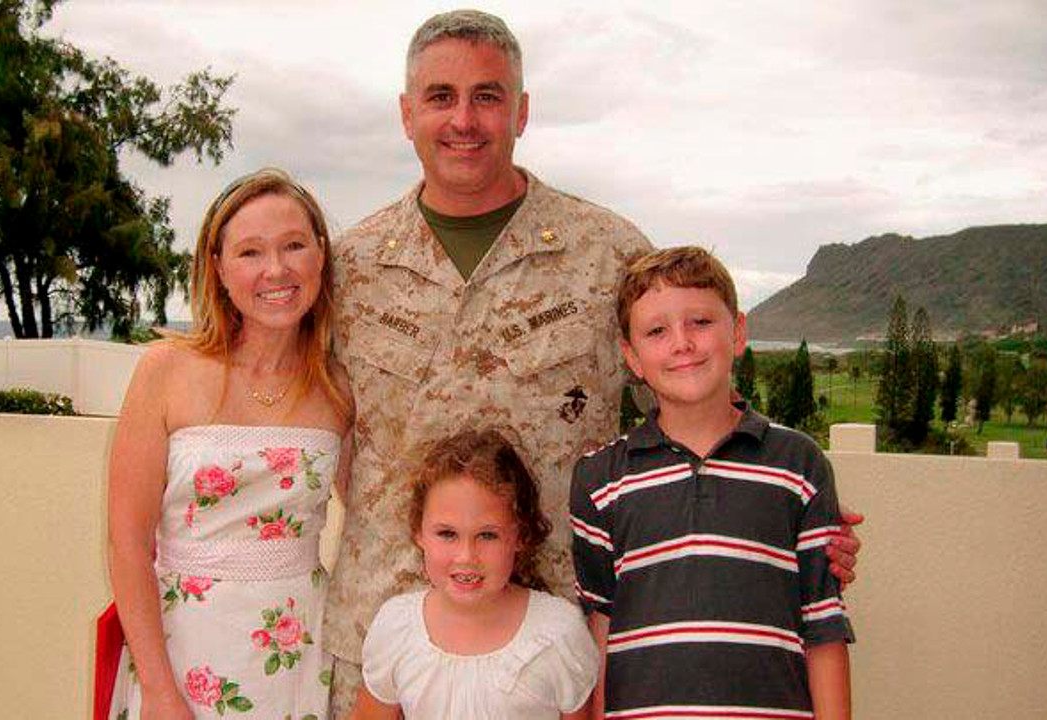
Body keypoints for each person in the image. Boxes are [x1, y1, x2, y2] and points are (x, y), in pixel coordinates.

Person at [323, 11, 862, 717]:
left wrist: (784, 512)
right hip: (382, 642)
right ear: (405, 113)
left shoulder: (605, 254)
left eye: (488, 95)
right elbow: (300, 424)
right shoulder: (350, 269)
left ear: (522, 111)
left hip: (555, 654)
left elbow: (687, 398)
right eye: (440, 96)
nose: (464, 119)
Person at [107, 168, 353, 720]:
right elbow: (127, 546)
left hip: (299, 658)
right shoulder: (164, 371)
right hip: (182, 654)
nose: (276, 270)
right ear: (217, 267)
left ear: (321, 255)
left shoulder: (340, 387)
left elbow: (368, 521)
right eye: (250, 252)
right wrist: (160, 692)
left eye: (294, 245)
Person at [571, 246, 854, 719]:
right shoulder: (600, 479)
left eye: (701, 322)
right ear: (632, 356)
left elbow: (823, 625)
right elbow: (601, 624)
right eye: (657, 331)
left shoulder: (798, 463)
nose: (682, 342)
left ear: (738, 331)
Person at [350, 429, 599, 720]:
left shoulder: (558, 633)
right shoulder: (396, 628)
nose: (466, 556)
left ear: (520, 535)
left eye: (487, 535)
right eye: (447, 534)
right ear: (419, 532)